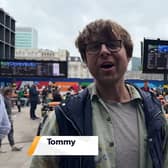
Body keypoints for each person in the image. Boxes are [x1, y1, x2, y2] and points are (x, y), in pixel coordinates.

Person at [30, 19, 168, 168]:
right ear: (85, 60)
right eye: (94, 47)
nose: (104, 51)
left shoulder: (154, 111)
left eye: (113, 44)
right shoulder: (64, 118)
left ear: (128, 55)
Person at [0, 87, 22, 152]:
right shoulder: (3, 99)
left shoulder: (7, 98)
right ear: (8, 92)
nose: (13, 93)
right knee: (3, 132)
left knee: (10, 132)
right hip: (5, 118)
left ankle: (12, 146)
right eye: (12, 92)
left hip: (8, 117)